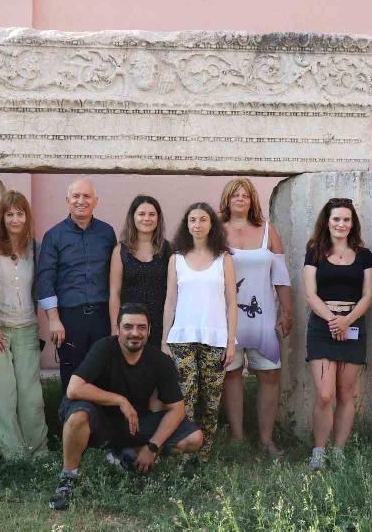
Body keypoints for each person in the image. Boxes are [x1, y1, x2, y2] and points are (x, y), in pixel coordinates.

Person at [49, 303, 203, 510]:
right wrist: (120, 400)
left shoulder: (159, 360)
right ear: (118, 328)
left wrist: (152, 447)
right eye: (128, 327)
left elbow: (177, 409)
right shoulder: (104, 348)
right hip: (98, 419)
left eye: (141, 327)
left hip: (133, 424)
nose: (135, 333)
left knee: (194, 438)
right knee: (78, 415)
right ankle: (68, 479)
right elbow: (74, 389)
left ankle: (126, 454)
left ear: (149, 330)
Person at [218, 178, 292, 459]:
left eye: (245, 195)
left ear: (252, 200)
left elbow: (281, 277)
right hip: (227, 317)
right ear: (226, 199)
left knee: (270, 373)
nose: (240, 199)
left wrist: (287, 312)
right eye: (235, 194)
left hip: (263, 315)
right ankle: (237, 436)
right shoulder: (216, 232)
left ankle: (266, 438)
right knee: (232, 373)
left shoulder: (267, 232)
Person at [303, 197, 372, 470]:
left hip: (354, 324)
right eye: (336, 219)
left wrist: (347, 321)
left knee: (345, 393)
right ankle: (319, 451)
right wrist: (334, 320)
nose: (341, 224)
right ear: (327, 221)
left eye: (346, 219)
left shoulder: (364, 255)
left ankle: (339, 451)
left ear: (352, 222)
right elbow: (310, 293)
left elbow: (368, 295)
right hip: (323, 325)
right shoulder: (315, 251)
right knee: (325, 394)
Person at [162, 202, 237, 458]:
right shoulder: (176, 259)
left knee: (211, 398)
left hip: (215, 338)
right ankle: (186, 450)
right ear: (187, 225)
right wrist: (164, 340)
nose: (197, 224)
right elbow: (170, 301)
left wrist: (230, 343)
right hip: (182, 337)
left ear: (211, 224)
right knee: (186, 397)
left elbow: (231, 303)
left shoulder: (224, 258)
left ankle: (205, 452)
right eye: (192, 220)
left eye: (203, 219)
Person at [0, 190, 48, 459]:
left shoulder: (36, 248)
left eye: (20, 213)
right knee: (2, 394)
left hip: (27, 328)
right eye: (10, 214)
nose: (15, 219)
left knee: (30, 395)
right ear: (2, 217)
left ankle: (39, 452)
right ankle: (15, 458)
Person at [37, 178, 116, 396]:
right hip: (69, 319)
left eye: (87, 196)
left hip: (102, 317)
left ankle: (100, 428)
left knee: (103, 375)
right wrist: (53, 320)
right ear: (67, 200)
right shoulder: (54, 236)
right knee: (72, 377)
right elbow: (45, 279)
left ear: (96, 201)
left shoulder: (107, 233)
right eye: (76, 196)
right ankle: (71, 426)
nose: (81, 201)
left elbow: (114, 276)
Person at [109, 195, 171, 347]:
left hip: (159, 323)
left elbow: (172, 293)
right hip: (130, 325)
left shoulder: (168, 249)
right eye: (141, 214)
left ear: (158, 218)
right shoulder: (120, 250)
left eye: (152, 214)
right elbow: (114, 293)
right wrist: (115, 327)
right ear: (133, 217)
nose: (146, 219)